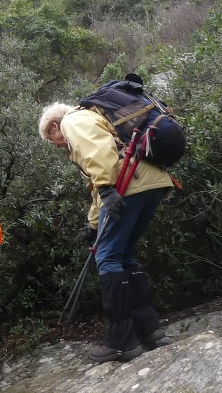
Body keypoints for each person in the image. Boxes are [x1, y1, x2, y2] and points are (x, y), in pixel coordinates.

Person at [39, 102, 175, 363]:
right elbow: (98, 186)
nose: (55, 144)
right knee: (123, 255)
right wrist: (93, 224)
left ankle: (122, 342)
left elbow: (99, 153)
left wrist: (105, 189)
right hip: (151, 183)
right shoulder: (92, 118)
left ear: (55, 126)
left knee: (108, 258)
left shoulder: (72, 121)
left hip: (130, 184)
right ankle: (151, 331)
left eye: (51, 138)